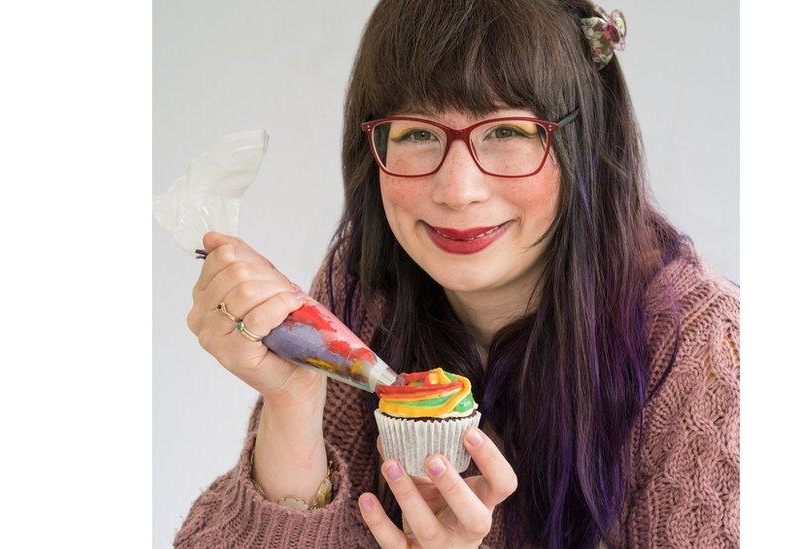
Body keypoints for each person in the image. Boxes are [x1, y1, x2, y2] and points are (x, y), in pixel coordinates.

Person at [176, 0, 739, 547]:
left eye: (509, 132)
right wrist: (293, 402)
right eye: (418, 134)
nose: (458, 191)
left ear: (585, 140)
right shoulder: (367, 292)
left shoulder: (707, 358)